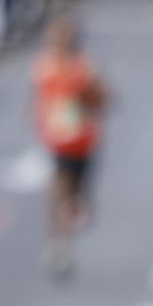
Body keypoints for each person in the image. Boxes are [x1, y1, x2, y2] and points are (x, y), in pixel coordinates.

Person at [31, 15, 108, 281]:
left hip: (83, 143)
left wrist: (86, 93)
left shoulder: (86, 68)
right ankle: (59, 248)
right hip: (58, 142)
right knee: (57, 192)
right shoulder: (44, 65)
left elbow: (104, 101)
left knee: (77, 206)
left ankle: (75, 212)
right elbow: (38, 98)